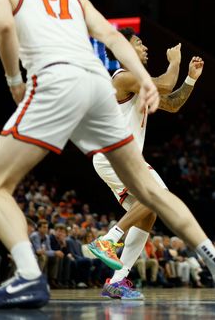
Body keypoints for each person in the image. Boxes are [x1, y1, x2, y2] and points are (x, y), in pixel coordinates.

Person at [0, 0, 215, 309]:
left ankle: (29, 278)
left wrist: (14, 81)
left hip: (56, 81)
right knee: (152, 194)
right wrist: (148, 82)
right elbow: (114, 41)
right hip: (95, 85)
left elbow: (3, 28)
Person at [88, 33, 205, 299]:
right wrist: (174, 63)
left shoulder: (137, 84)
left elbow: (172, 104)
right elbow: (164, 84)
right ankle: (108, 239)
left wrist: (190, 79)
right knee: (158, 197)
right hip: (115, 154)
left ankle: (117, 280)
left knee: (149, 212)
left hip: (121, 157)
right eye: (138, 43)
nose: (145, 46)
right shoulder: (122, 77)